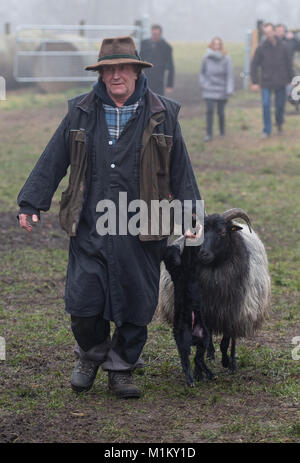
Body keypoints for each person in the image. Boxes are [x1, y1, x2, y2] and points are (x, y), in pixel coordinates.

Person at [17, 36, 202, 399]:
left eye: (123, 68)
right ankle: (90, 354)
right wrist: (30, 203)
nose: (116, 76)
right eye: (108, 69)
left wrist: (191, 212)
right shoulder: (81, 111)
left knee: (136, 305)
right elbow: (54, 157)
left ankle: (121, 368)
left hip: (144, 224)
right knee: (84, 304)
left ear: (136, 71)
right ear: (101, 74)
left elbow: (180, 168)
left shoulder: (163, 113)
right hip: (90, 223)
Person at [251, 23, 294, 138]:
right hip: (266, 81)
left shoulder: (283, 47)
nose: (268, 35)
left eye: (270, 32)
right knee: (265, 105)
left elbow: (289, 64)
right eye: (266, 33)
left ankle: (279, 123)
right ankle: (267, 130)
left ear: (274, 31)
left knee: (280, 106)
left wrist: (291, 79)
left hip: (281, 80)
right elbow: (254, 65)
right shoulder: (261, 47)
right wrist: (254, 82)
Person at [198, 37, 234, 142]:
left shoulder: (226, 58)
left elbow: (229, 74)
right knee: (209, 111)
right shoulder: (206, 58)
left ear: (221, 46)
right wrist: (203, 84)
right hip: (209, 89)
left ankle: (222, 131)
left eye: (218, 44)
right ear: (212, 45)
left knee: (221, 112)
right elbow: (202, 72)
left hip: (222, 89)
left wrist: (229, 89)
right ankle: (209, 134)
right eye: (215, 44)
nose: (216, 46)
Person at [140, 24, 175, 96]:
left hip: (159, 81)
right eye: (153, 34)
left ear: (160, 34)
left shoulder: (166, 47)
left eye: (157, 34)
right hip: (145, 79)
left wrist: (169, 85)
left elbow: (171, 67)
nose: (155, 36)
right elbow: (139, 61)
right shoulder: (144, 44)